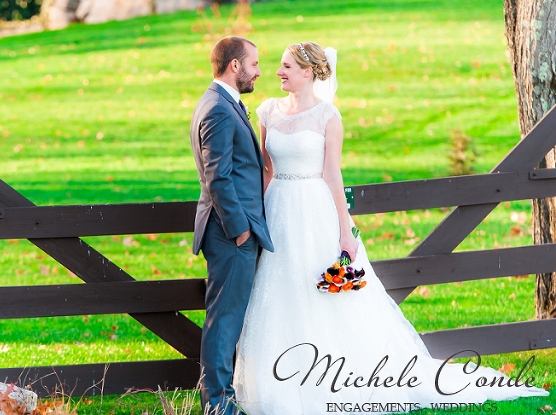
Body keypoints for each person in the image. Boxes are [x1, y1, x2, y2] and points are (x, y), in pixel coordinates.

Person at [232, 42, 549, 414]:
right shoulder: (268, 111)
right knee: (279, 289)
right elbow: (266, 170)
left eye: (286, 66)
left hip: (314, 211)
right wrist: (258, 218)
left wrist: (345, 231)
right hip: (278, 210)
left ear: (308, 72)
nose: (278, 72)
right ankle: (276, 383)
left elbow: (333, 177)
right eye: (279, 66)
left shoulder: (327, 117)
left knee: (321, 292)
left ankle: (332, 378)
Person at [190, 36, 275, 415]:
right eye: (254, 63)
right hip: (230, 233)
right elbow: (217, 176)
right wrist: (240, 229)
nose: (259, 70)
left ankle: (221, 397)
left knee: (227, 315)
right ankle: (218, 404)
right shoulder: (219, 109)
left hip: (233, 231)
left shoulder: (222, 103)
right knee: (224, 319)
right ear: (234, 66)